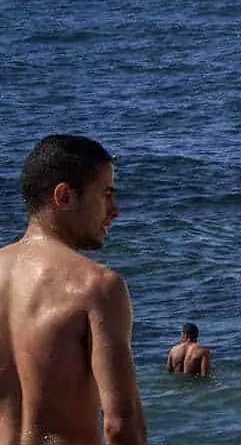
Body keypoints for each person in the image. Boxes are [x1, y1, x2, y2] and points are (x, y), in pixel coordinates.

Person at [0, 134, 147, 445]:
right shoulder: (95, 287)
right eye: (106, 194)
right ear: (64, 196)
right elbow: (121, 426)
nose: (115, 210)